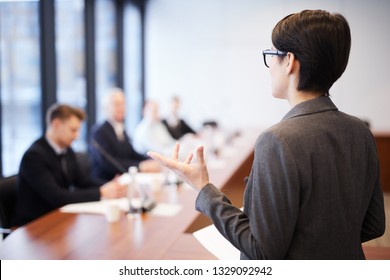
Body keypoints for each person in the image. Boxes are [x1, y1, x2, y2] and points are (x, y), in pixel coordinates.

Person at [148, 10, 386, 259]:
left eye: (272, 54)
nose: (269, 64)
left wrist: (203, 189)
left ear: (290, 62)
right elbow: (373, 225)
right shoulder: (361, 132)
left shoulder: (278, 140)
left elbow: (262, 252)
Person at [13, 104, 127, 227]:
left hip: (58, 218)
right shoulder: (34, 156)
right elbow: (57, 197)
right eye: (73, 130)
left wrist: (111, 187)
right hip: (35, 225)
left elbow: (82, 181)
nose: (77, 136)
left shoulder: (66, 149)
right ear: (56, 124)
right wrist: (101, 192)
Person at [89, 88, 160, 182]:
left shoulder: (121, 128)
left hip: (124, 179)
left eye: (123, 103)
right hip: (107, 182)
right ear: (106, 108)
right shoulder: (99, 132)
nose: (122, 108)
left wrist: (150, 160)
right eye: (117, 104)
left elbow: (131, 153)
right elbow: (108, 163)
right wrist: (139, 166)